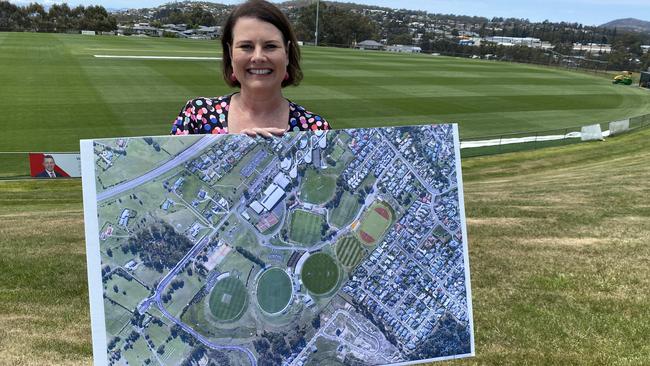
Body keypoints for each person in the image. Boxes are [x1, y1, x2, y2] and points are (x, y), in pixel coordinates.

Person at [171, 0, 330, 137]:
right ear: (230, 53)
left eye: (270, 46)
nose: (258, 57)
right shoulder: (197, 116)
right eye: (246, 46)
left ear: (287, 53)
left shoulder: (316, 129)